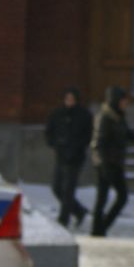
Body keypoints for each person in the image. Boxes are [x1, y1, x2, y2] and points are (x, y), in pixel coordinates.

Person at [89, 86, 134, 238]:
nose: (126, 104)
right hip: (107, 163)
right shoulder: (105, 117)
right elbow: (99, 143)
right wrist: (103, 164)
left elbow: (127, 133)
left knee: (105, 196)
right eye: (124, 100)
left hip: (115, 162)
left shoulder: (119, 117)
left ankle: (99, 228)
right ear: (116, 100)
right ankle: (100, 226)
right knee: (117, 196)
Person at [44, 87, 93, 230]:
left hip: (75, 158)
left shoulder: (84, 115)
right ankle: (78, 211)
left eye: (72, 99)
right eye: (67, 99)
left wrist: (76, 147)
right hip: (61, 155)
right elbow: (49, 132)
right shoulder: (57, 114)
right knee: (57, 188)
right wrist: (55, 144)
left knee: (68, 190)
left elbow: (87, 136)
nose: (69, 101)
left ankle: (63, 219)